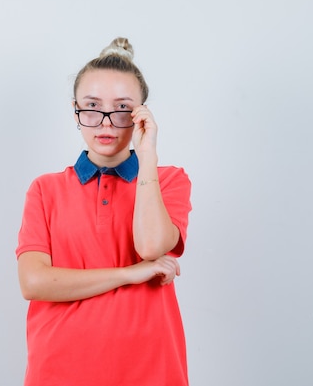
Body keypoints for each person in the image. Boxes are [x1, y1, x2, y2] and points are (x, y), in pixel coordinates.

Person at [16, 37, 192, 386]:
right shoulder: (45, 189)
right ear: (76, 111)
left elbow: (152, 247)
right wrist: (130, 274)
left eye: (123, 108)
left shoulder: (168, 180)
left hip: (151, 368)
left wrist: (148, 159)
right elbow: (34, 282)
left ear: (141, 115)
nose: (106, 122)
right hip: (59, 369)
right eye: (92, 106)